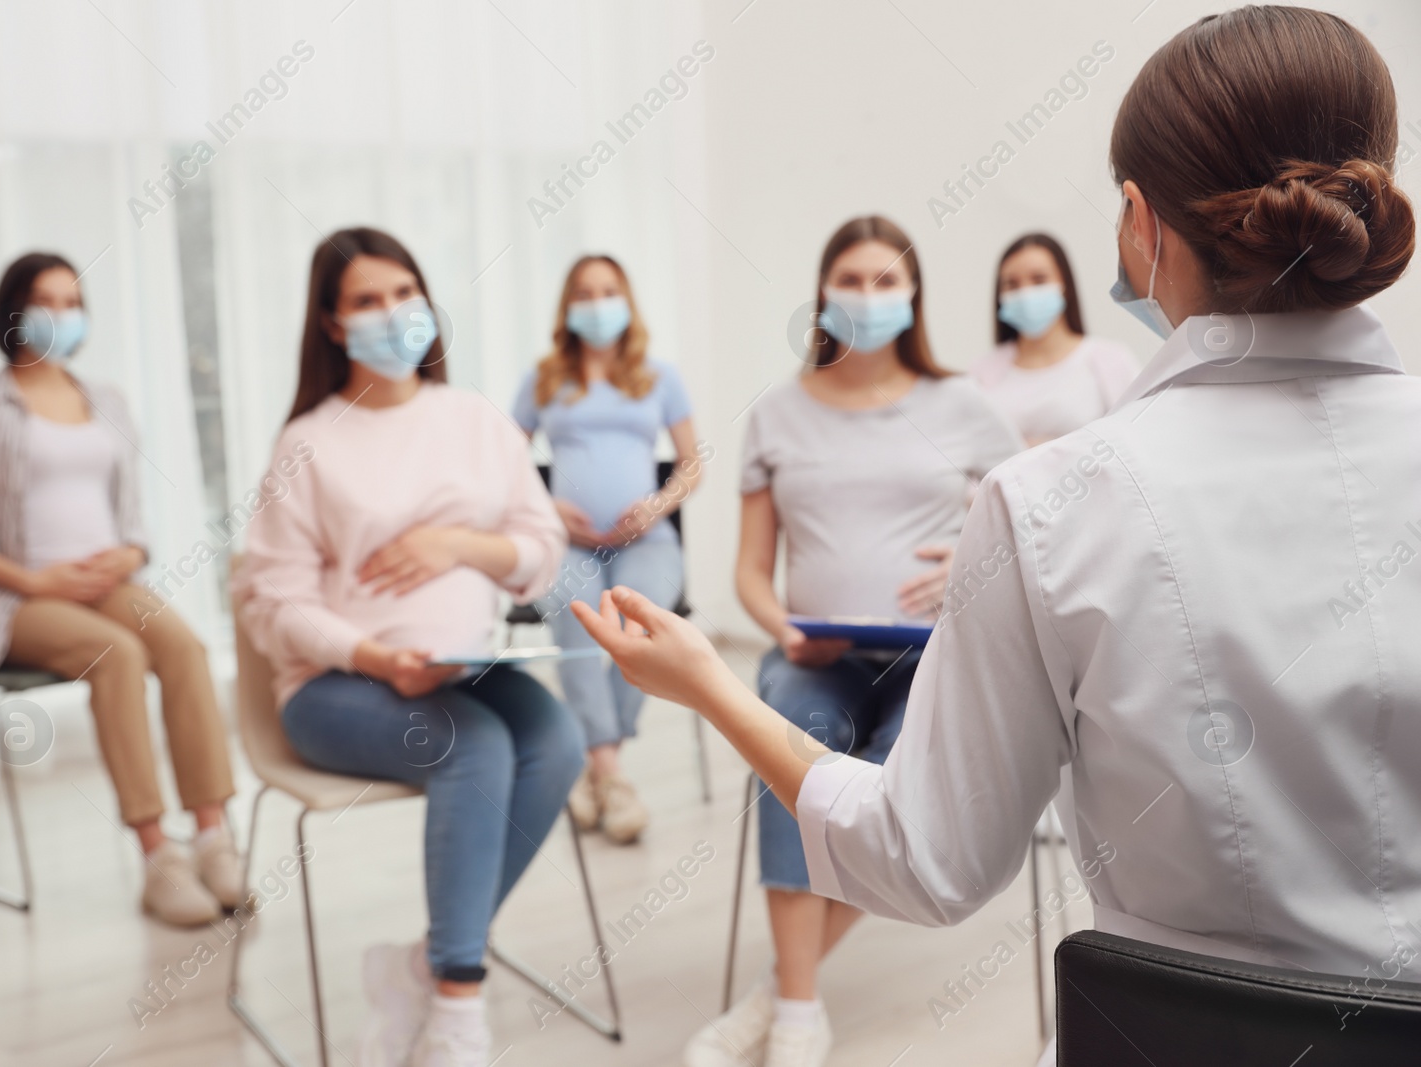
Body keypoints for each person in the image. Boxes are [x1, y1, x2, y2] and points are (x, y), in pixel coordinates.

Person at [573, 8, 1418, 1067]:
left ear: (1137, 224)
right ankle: (790, 998)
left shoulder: (1052, 497)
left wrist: (706, 682)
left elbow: (926, 858)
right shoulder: (966, 467)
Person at [234, 227, 583, 1067]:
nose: (393, 314)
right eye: (366, 300)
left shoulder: (475, 421)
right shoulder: (307, 443)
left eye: (404, 294)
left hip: (460, 669)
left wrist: (460, 545)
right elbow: (270, 603)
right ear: (330, 324)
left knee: (557, 740)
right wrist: (376, 656)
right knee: (474, 745)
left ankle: (420, 966)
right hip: (336, 686)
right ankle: (458, 1007)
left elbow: (541, 552)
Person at [687, 216, 1022, 1067]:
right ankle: (799, 1009)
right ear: (823, 294)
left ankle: (772, 990)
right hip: (814, 659)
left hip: (933, 657)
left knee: (887, 791)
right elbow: (751, 571)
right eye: (852, 280)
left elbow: (1022, 537)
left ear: (912, 298)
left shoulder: (967, 408)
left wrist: (969, 567)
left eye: (885, 281)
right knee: (789, 754)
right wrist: (779, 628)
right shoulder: (776, 415)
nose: (867, 297)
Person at [0, 252, 243, 927]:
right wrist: (33, 577)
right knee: (117, 657)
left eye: (74, 303)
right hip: (22, 597)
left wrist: (128, 552)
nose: (62, 316)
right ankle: (159, 856)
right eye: (47, 301)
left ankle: (213, 837)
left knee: (184, 645)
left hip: (108, 580)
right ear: (13, 311)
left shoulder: (108, 402)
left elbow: (132, 517)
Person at [512, 254, 701, 845]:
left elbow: (693, 465)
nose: (597, 305)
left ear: (628, 300)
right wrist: (544, 509)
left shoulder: (660, 377)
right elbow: (500, 463)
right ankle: (613, 774)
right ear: (568, 308)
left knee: (636, 618)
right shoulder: (544, 379)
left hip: (649, 539)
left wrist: (655, 505)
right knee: (581, 614)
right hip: (564, 544)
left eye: (608, 291)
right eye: (585, 294)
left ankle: (595, 762)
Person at [970, 233, 1141, 446]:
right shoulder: (981, 372)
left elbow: (1133, 443)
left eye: (1039, 279)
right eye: (1012, 284)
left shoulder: (1111, 359)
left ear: (1064, 285)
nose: (1025, 292)